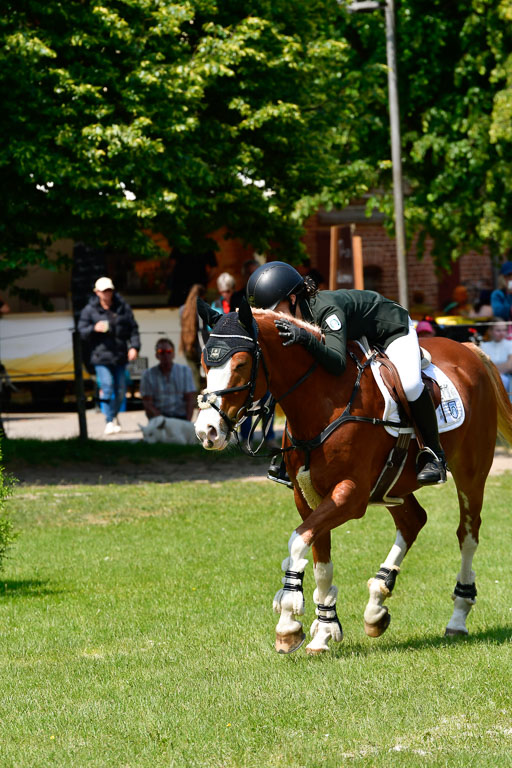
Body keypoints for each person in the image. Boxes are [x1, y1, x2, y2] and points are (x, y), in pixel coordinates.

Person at [246, 261, 447, 485]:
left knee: (410, 385)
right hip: (359, 333)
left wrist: (305, 339)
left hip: (391, 330)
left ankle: (433, 455)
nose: (273, 319)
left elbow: (337, 363)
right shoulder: (298, 317)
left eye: (275, 311)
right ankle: (290, 456)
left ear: (293, 299)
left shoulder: (327, 311)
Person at [78, 277, 140, 435]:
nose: (107, 293)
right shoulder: (89, 310)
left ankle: (114, 415)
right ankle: (109, 420)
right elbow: (81, 331)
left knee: (121, 390)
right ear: (97, 292)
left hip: (120, 356)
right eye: (104, 291)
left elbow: (133, 329)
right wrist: (93, 328)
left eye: (109, 290)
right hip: (101, 357)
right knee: (107, 387)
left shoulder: (123, 307)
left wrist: (134, 347)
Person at [140, 338, 196, 421]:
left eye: (169, 351)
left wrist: (187, 422)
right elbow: (148, 403)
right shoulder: (148, 375)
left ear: (173, 354)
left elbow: (190, 399)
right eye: (161, 352)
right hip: (159, 419)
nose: (166, 355)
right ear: (156, 355)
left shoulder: (185, 371)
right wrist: (163, 421)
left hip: (181, 418)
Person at [179, 284, 210, 392]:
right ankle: (199, 399)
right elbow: (202, 331)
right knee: (204, 378)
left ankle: (193, 398)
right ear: (201, 296)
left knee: (194, 376)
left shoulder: (183, 309)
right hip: (198, 347)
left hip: (187, 346)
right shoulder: (200, 309)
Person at [480, 320, 512, 399]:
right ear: (490, 331)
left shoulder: (510, 344)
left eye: (504, 330)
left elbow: (510, 365)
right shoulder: (483, 346)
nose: (502, 333)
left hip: (506, 378)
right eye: (498, 330)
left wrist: (491, 370)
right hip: (488, 378)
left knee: (502, 380)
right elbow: (482, 366)